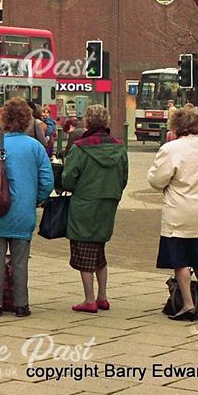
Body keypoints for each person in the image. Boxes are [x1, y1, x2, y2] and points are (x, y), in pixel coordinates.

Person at [0, 97, 54, 318]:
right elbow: (47, 180)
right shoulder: (35, 147)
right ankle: (21, 304)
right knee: (20, 261)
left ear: (3, 118)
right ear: (26, 119)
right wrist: (36, 199)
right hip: (24, 212)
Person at [147, 108, 198, 320]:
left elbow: (157, 179)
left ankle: (188, 304)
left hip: (180, 211)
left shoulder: (171, 149)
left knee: (180, 262)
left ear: (176, 127)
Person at [60, 104, 128, 313]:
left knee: (83, 250)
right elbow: (124, 177)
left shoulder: (80, 147)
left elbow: (68, 180)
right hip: (109, 201)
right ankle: (103, 296)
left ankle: (89, 299)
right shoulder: (119, 146)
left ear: (87, 122)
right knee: (99, 249)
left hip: (85, 203)